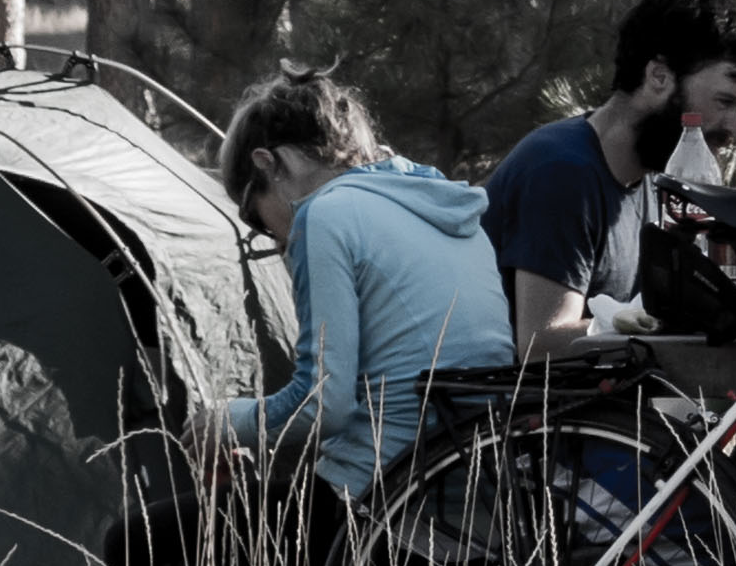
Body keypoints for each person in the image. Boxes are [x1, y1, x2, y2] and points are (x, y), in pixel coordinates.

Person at [219, 68, 516, 494]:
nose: (271, 234)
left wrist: (230, 422)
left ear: (267, 163)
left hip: (382, 487)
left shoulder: (324, 216)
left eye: (253, 213)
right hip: (476, 487)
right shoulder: (446, 209)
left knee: (142, 530)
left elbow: (324, 403)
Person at [490, 0, 736, 358]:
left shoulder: (655, 177)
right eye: (725, 101)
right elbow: (540, 343)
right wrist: (652, 329)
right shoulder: (560, 172)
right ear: (659, 77)